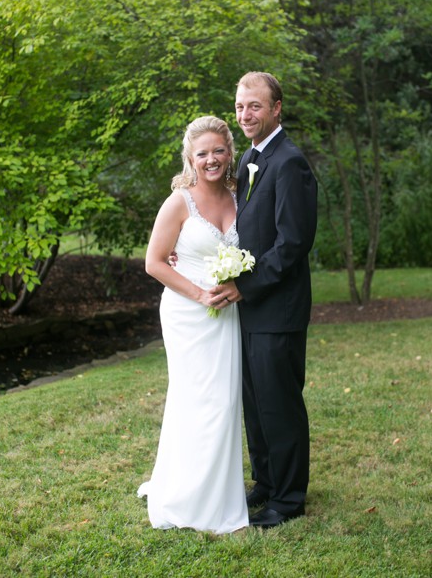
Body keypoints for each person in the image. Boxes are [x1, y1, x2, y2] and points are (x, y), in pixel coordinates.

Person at [207, 71, 319, 529]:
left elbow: (292, 244)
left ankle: (289, 499)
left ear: (276, 108)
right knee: (255, 403)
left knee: (279, 405)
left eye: (254, 106)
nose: (244, 114)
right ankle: (267, 482)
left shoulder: (290, 162)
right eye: (239, 107)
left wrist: (243, 287)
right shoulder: (252, 159)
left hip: (278, 308)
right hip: (250, 311)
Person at [138, 115, 248, 534]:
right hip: (188, 313)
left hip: (228, 312)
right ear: (190, 158)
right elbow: (153, 263)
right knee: (194, 399)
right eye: (202, 153)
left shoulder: (240, 198)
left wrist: (235, 283)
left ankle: (219, 496)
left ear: (229, 153)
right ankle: (185, 497)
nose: (211, 159)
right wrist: (201, 294)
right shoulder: (179, 202)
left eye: (218, 150)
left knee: (223, 403)